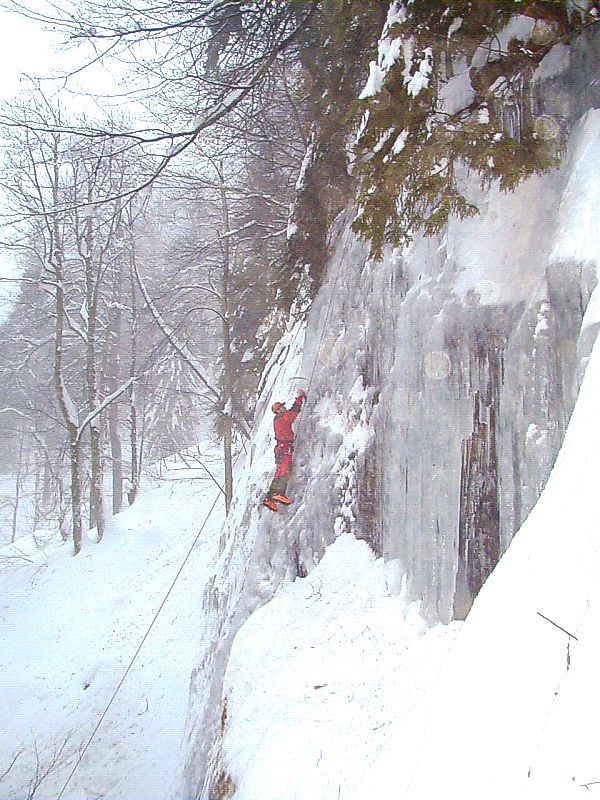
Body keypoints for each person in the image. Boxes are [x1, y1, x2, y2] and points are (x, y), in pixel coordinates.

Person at [263, 389, 306, 511]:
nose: (283, 408)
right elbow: (294, 411)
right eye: (281, 408)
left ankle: (269, 498)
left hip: (280, 448)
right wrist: (299, 398)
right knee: (284, 470)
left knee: (279, 472)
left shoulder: (278, 419)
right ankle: (278, 493)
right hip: (284, 447)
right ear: (279, 410)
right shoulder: (283, 418)